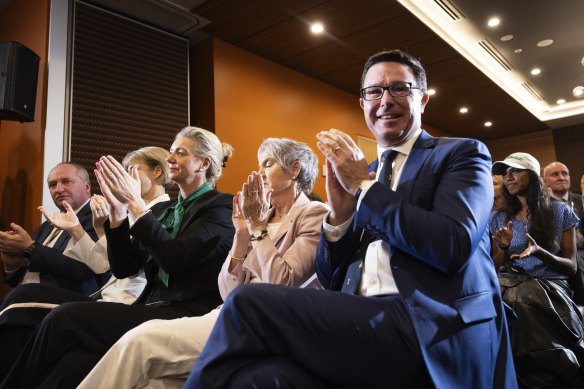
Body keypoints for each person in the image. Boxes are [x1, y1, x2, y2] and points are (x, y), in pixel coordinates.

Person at [185, 50, 516, 389]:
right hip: (359, 319)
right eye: (374, 91)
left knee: (248, 302)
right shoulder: (364, 173)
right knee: (257, 379)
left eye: (400, 88)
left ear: (423, 99)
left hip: (429, 321)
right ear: (364, 104)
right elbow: (330, 278)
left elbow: (452, 245)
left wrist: (365, 188)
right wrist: (340, 218)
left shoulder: (461, 154)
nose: (385, 100)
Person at [77, 137, 329, 389]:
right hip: (229, 312)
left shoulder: (313, 213)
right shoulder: (260, 215)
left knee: (138, 342)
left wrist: (258, 228)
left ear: (294, 169)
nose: (259, 173)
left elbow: (281, 282)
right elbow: (227, 289)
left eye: (267, 164)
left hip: (267, 321)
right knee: (153, 384)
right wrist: (242, 233)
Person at [0, 127, 235, 389]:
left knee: (64, 318)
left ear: (204, 163)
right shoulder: (169, 210)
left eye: (181, 152)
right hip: (150, 306)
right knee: (72, 363)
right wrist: (117, 214)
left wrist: (135, 204)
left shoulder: (222, 206)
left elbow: (175, 260)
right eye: (170, 151)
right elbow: (124, 267)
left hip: (185, 312)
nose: (170, 157)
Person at [0, 147, 171, 379]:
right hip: (104, 297)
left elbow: (95, 270)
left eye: (131, 171)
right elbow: (104, 264)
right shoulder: (50, 224)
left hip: (126, 302)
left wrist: (90, 228)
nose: (123, 178)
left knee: (22, 299)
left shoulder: (163, 212)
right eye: (52, 185)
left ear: (158, 172)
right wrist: (13, 261)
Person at [491, 153, 584, 388]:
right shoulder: (499, 216)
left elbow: (572, 267)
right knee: (498, 297)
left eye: (515, 171)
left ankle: (543, 375)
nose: (508, 177)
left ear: (531, 175)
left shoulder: (559, 211)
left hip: (549, 282)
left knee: (521, 300)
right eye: (505, 173)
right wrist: (503, 247)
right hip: (510, 279)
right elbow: (495, 264)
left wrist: (538, 251)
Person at [0, 162, 102, 295]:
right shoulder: (46, 227)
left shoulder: (99, 218)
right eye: (52, 185)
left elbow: (86, 269)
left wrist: (30, 248)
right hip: (26, 298)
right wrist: (12, 264)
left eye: (66, 181)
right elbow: (22, 279)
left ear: (87, 187)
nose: (58, 189)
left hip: (67, 303)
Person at [543, 161, 584, 242]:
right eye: (555, 174)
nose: (561, 178)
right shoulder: (540, 205)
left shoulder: (581, 200)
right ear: (544, 181)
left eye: (565, 174)